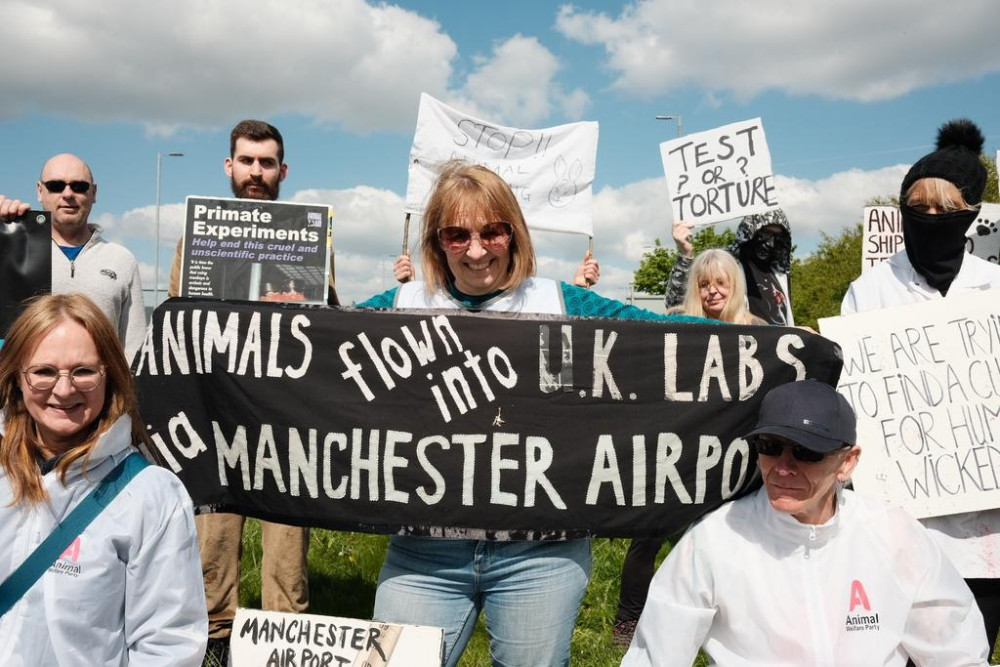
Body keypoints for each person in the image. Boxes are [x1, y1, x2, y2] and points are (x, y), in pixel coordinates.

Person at [358, 161, 703, 667]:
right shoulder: (403, 303)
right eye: (457, 235)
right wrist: (282, 315)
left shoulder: (562, 301)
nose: (476, 251)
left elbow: (666, 338)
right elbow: (325, 353)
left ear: (513, 234)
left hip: (540, 553)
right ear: (437, 241)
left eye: (491, 232)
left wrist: (766, 340)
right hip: (422, 552)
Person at [622, 379, 990, 666]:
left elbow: (956, 653)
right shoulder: (715, 540)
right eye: (769, 446)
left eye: (806, 451)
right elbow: (656, 656)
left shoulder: (894, 534)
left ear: (847, 462)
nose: (783, 466)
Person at [842, 118, 1000, 649]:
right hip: (902, 521)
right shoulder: (870, 291)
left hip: (987, 527)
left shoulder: (994, 289)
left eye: (946, 210)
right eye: (919, 208)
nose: (930, 219)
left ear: (970, 216)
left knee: (973, 647)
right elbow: (855, 393)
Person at [167, 120, 313, 663]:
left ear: (283, 171)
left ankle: (285, 639)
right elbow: (180, 319)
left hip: (285, 415)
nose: (257, 172)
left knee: (287, 542)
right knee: (213, 536)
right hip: (218, 412)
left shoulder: (308, 236)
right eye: (247, 161)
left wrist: (309, 309)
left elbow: (329, 318)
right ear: (229, 167)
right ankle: (216, 637)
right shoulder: (196, 236)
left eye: (267, 162)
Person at [0, 293, 207, 665]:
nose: (64, 390)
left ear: (109, 375)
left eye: (83, 371)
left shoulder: (150, 496)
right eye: (44, 372)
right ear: (17, 378)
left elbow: (168, 646)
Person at [612, 248, 764, 646]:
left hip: (731, 456)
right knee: (648, 536)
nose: (712, 292)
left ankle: (728, 625)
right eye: (704, 284)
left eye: (721, 283)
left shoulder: (759, 329)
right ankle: (628, 623)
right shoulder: (678, 324)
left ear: (735, 286)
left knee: (731, 541)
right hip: (677, 451)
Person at [0, 155, 146, 361]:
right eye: (56, 185)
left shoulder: (121, 260)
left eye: (79, 186)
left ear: (93, 192)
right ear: (40, 191)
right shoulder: (11, 251)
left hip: (98, 390)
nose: (68, 194)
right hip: (28, 389)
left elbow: (134, 349)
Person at [665, 209, 794, 325]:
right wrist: (685, 254)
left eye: (778, 236)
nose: (771, 243)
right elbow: (679, 305)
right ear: (751, 231)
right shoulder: (725, 265)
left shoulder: (780, 275)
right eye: (766, 234)